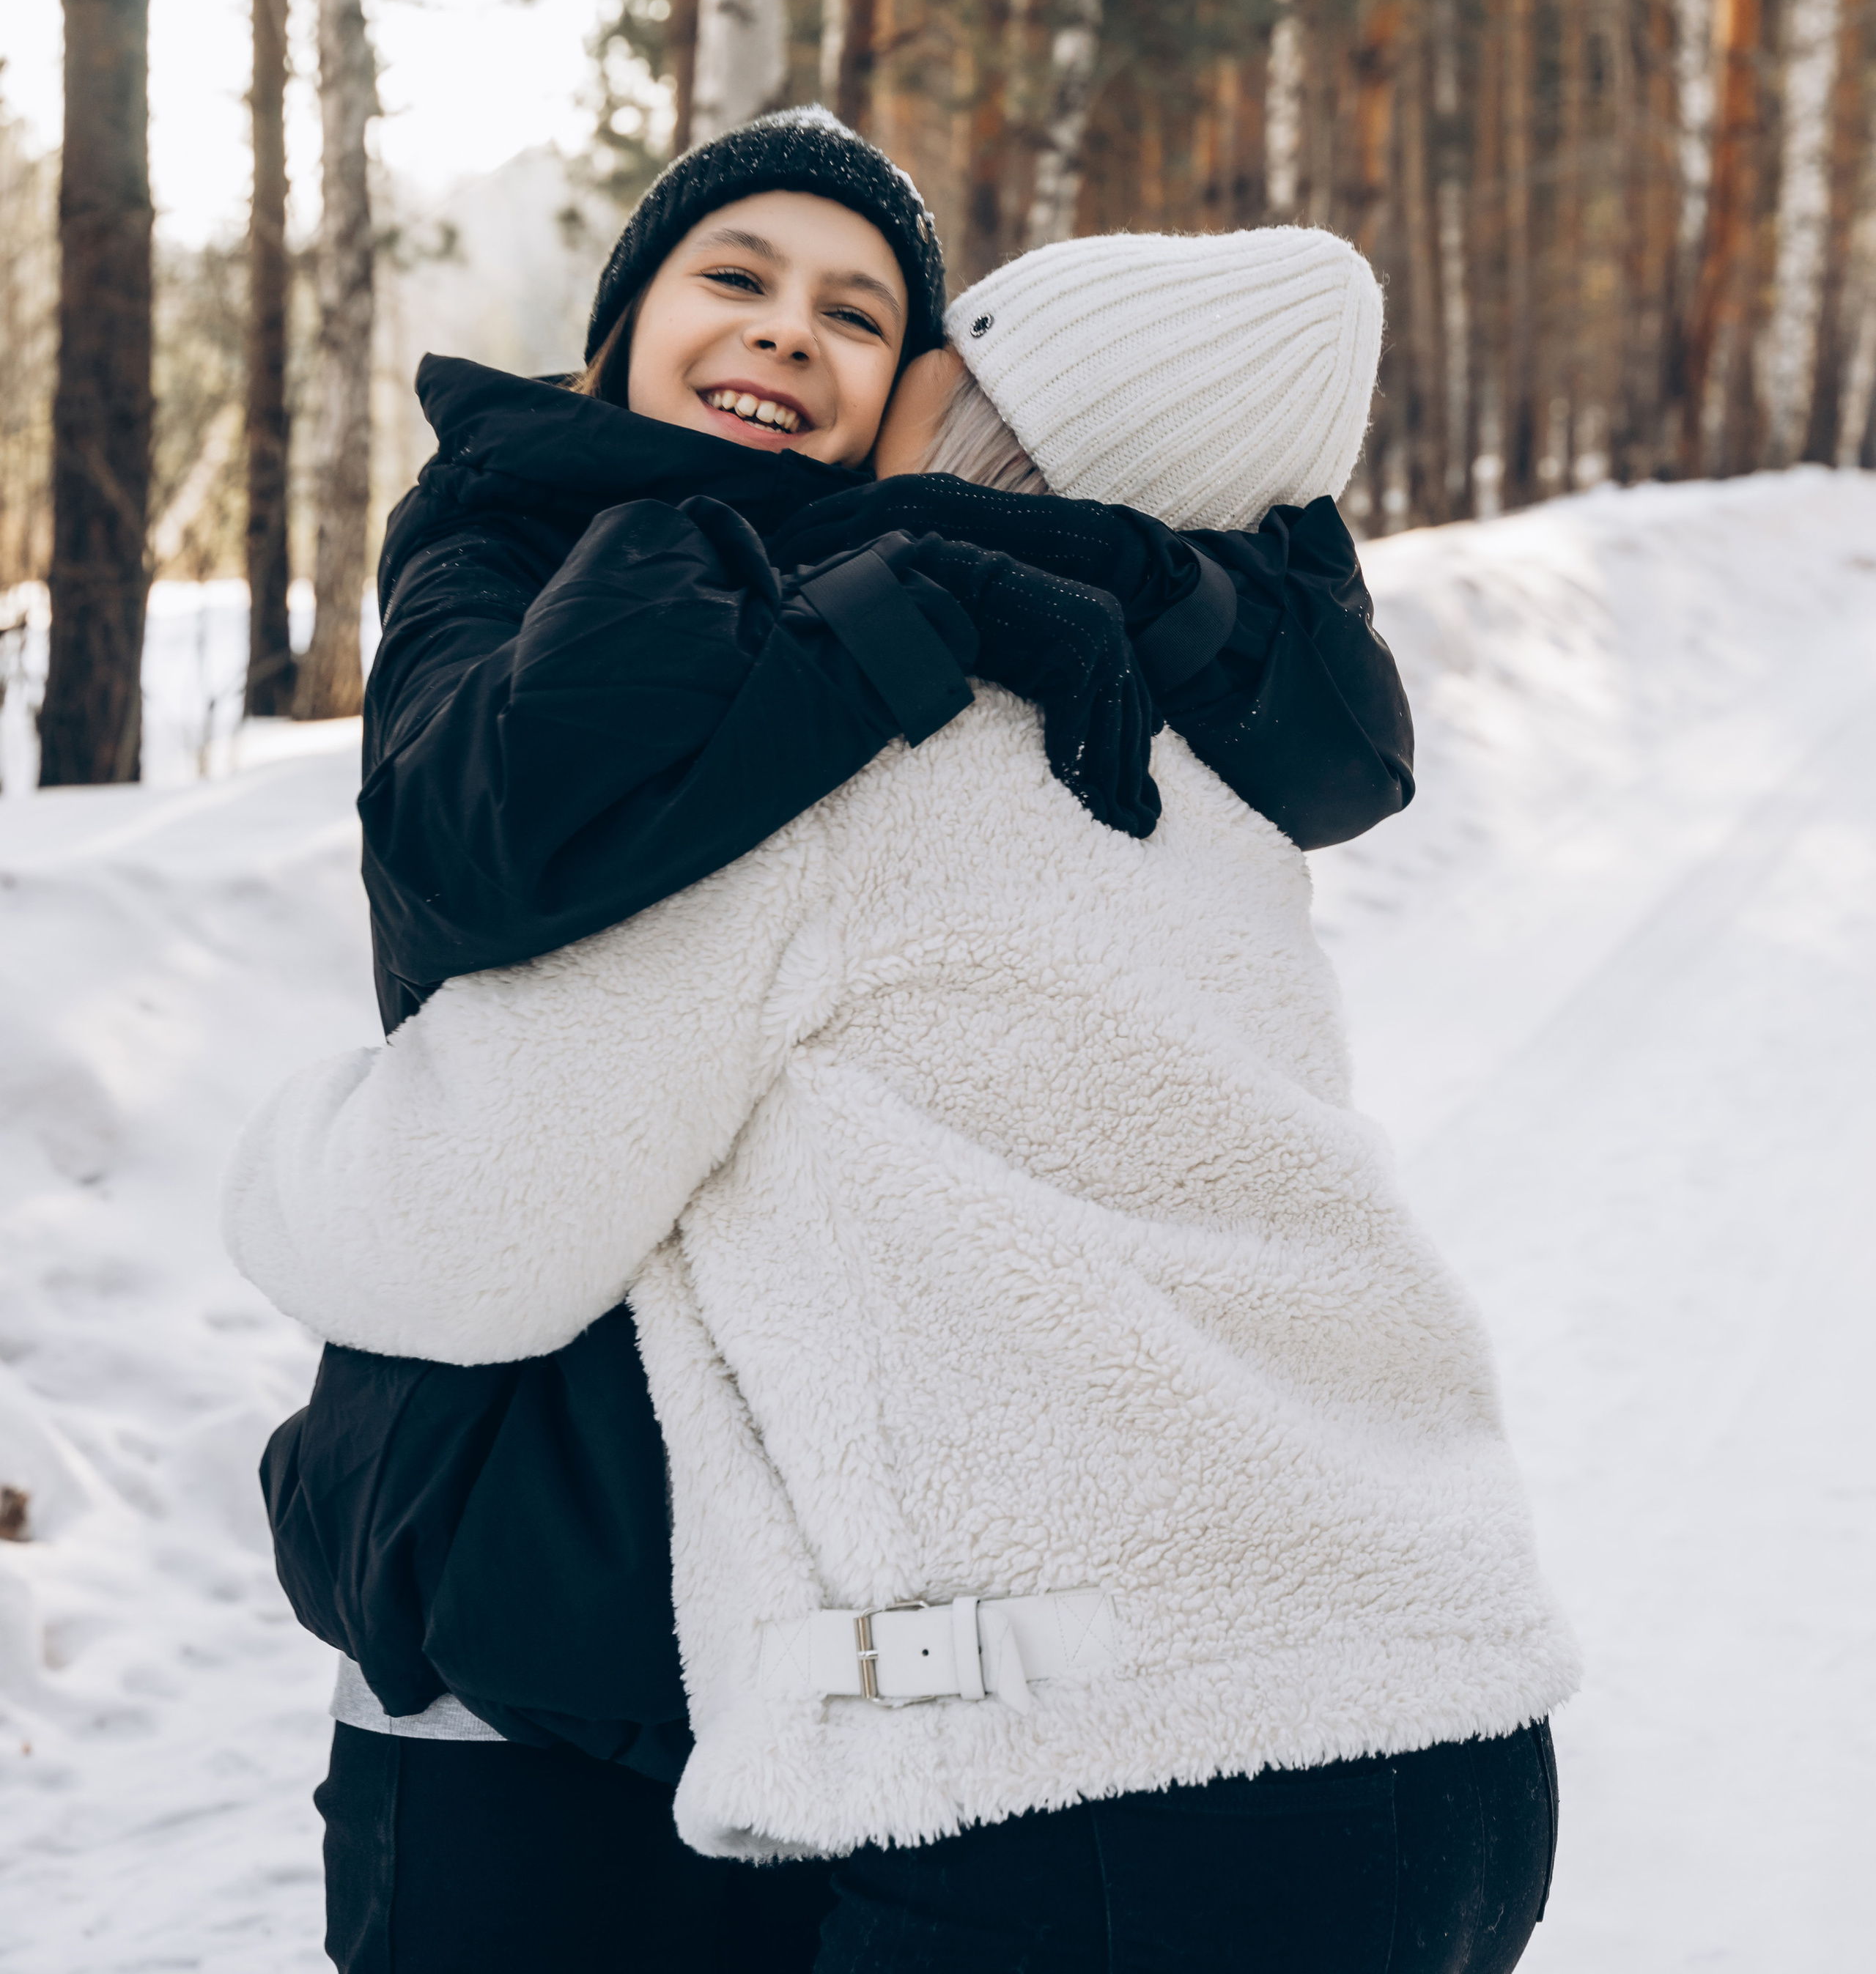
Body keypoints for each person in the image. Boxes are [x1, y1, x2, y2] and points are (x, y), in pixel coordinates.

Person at [231, 226, 1569, 1974]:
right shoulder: (1196, 774)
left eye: (924, 333)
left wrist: (281, 1146)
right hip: (1443, 1713)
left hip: (1116, 1787)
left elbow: (459, 1221)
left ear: (983, 406)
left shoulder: (846, 744)